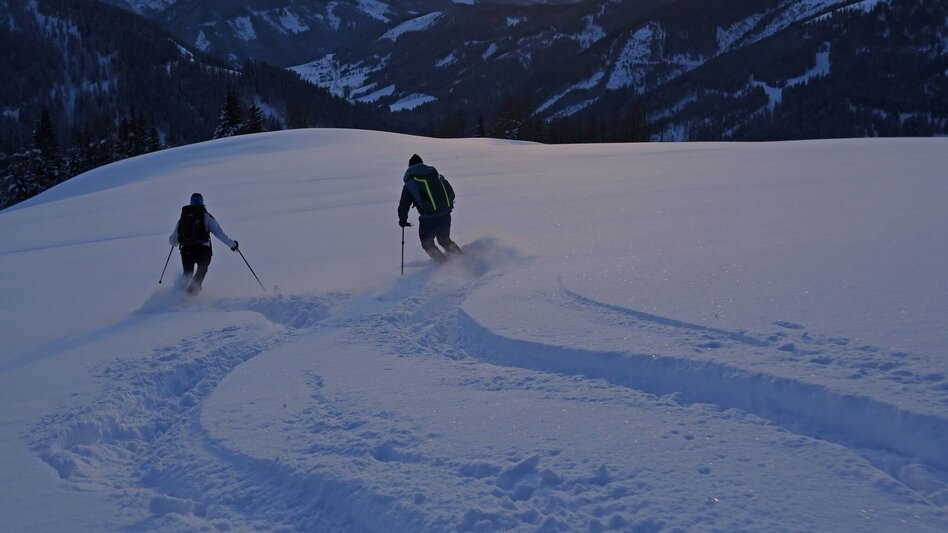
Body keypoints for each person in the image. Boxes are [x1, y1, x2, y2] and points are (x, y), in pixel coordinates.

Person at [169, 193, 238, 294]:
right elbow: (219, 233)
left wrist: (173, 242)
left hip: (186, 250)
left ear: (191, 202)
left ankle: (176, 295)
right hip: (203, 250)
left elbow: (173, 239)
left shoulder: (183, 218)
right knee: (202, 269)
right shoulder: (206, 216)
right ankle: (191, 293)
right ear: (202, 202)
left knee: (188, 273)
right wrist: (232, 244)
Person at [398, 154, 462, 263]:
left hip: (428, 219)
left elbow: (404, 204)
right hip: (445, 215)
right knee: (444, 240)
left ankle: (444, 265)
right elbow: (451, 193)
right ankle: (463, 259)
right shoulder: (437, 176)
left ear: (410, 167)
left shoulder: (410, 184)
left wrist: (402, 220)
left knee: (427, 244)